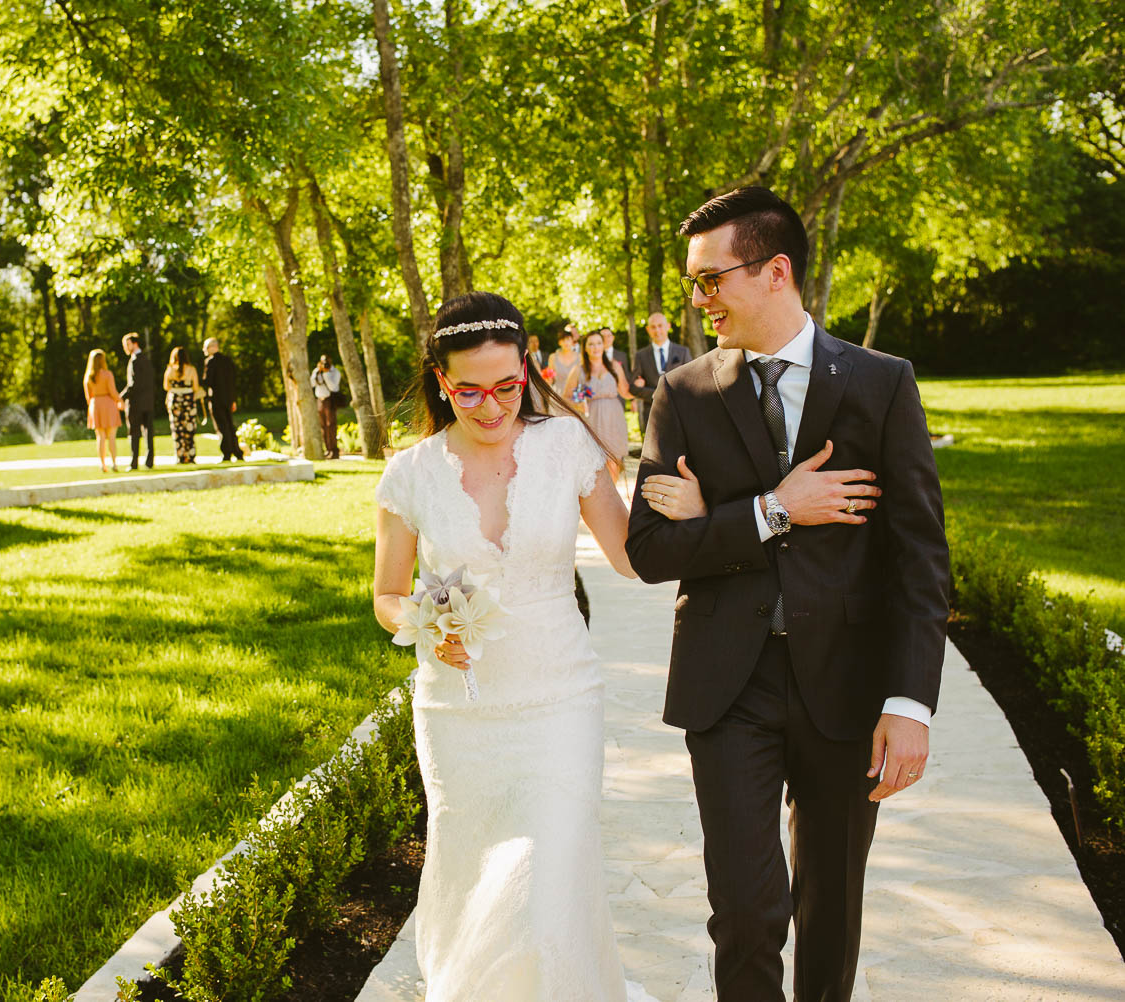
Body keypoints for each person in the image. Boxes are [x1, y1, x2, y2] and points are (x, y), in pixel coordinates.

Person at [626, 186, 949, 1002]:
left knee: (830, 905)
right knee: (744, 908)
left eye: (711, 280)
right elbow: (651, 549)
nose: (699, 302)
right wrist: (772, 512)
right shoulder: (685, 394)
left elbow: (918, 557)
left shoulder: (881, 383)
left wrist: (910, 704)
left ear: (776, 271)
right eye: (692, 285)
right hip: (726, 686)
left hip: (848, 684)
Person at [372, 291, 701, 1000]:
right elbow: (386, 595)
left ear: (527, 368)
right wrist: (428, 625)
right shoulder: (409, 474)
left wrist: (699, 515)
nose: (491, 406)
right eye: (468, 391)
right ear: (439, 381)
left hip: (559, 700)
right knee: (471, 872)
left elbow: (629, 556)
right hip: (460, 715)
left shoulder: (566, 446)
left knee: (544, 875)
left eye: (507, 386)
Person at [562, 330, 633, 482]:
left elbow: (625, 391)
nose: (596, 347)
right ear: (585, 348)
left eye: (599, 343)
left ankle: (612, 498)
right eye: (591, 344)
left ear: (604, 345)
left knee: (614, 461)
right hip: (592, 419)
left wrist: (641, 389)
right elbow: (566, 396)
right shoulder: (579, 370)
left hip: (614, 418)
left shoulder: (614, 366)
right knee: (595, 463)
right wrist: (579, 405)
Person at [630, 312, 690, 435]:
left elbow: (690, 381)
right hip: (652, 413)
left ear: (668, 326)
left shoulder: (683, 352)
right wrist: (655, 394)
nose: (657, 330)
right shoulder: (641, 356)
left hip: (679, 413)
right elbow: (633, 388)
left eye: (660, 326)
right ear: (648, 330)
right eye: (653, 327)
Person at [202, 337, 245, 461]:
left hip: (216, 399)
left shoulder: (210, 362)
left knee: (222, 426)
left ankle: (227, 452)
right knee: (230, 425)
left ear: (212, 347)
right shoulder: (228, 361)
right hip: (228, 398)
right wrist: (233, 399)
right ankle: (237, 452)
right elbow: (233, 381)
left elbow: (208, 381)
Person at [83, 348, 124, 473]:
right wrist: (120, 401)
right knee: (111, 436)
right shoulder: (107, 374)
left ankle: (102, 464)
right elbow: (113, 392)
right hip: (108, 404)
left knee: (100, 436)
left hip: (95, 405)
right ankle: (114, 463)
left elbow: (88, 397)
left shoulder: (88, 377)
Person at [119, 332, 156, 470]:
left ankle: (134, 463)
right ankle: (149, 462)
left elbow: (134, 384)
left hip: (136, 404)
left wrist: (121, 397)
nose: (125, 347)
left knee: (134, 434)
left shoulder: (135, 360)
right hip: (148, 402)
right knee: (148, 433)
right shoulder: (146, 359)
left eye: (127, 344)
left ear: (135, 344)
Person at [162, 346, 204, 465]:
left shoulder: (170, 370)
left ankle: (180, 456)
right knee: (189, 428)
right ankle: (190, 455)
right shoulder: (191, 369)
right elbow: (195, 387)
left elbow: (166, 386)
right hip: (188, 400)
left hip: (175, 400)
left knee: (177, 429)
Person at [312, 354, 343, 459]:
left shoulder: (335, 372)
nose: (324, 363)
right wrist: (318, 372)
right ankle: (328, 449)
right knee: (323, 427)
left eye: (326, 361)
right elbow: (311, 383)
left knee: (331, 426)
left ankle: (334, 451)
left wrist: (326, 374)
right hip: (319, 400)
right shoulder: (317, 371)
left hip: (329, 400)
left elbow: (333, 387)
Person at [546, 325, 581, 400]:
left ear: (572, 341)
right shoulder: (553, 357)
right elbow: (550, 377)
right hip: (557, 394)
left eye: (568, 339)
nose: (566, 342)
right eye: (563, 340)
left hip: (575, 395)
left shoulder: (580, 357)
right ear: (559, 342)